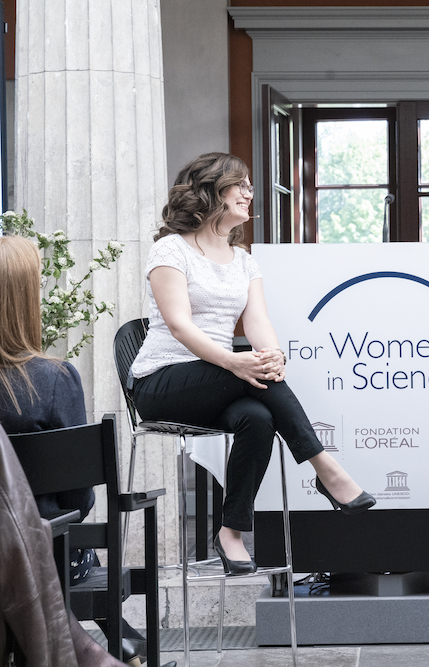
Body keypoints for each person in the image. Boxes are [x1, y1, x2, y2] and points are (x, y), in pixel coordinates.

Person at [130, 152, 375, 576]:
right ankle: (325, 466)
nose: (249, 192)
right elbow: (180, 325)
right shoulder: (170, 250)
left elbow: (258, 321)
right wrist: (236, 362)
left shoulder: (243, 259)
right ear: (211, 191)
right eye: (239, 184)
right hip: (163, 383)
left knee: (258, 416)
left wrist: (272, 355)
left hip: (221, 382)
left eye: (249, 185)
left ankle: (231, 532)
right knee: (251, 376)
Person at [0, 236, 147, 667]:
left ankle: (112, 644)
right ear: (27, 298)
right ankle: (116, 641)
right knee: (66, 536)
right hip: (50, 561)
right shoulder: (54, 379)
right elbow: (79, 501)